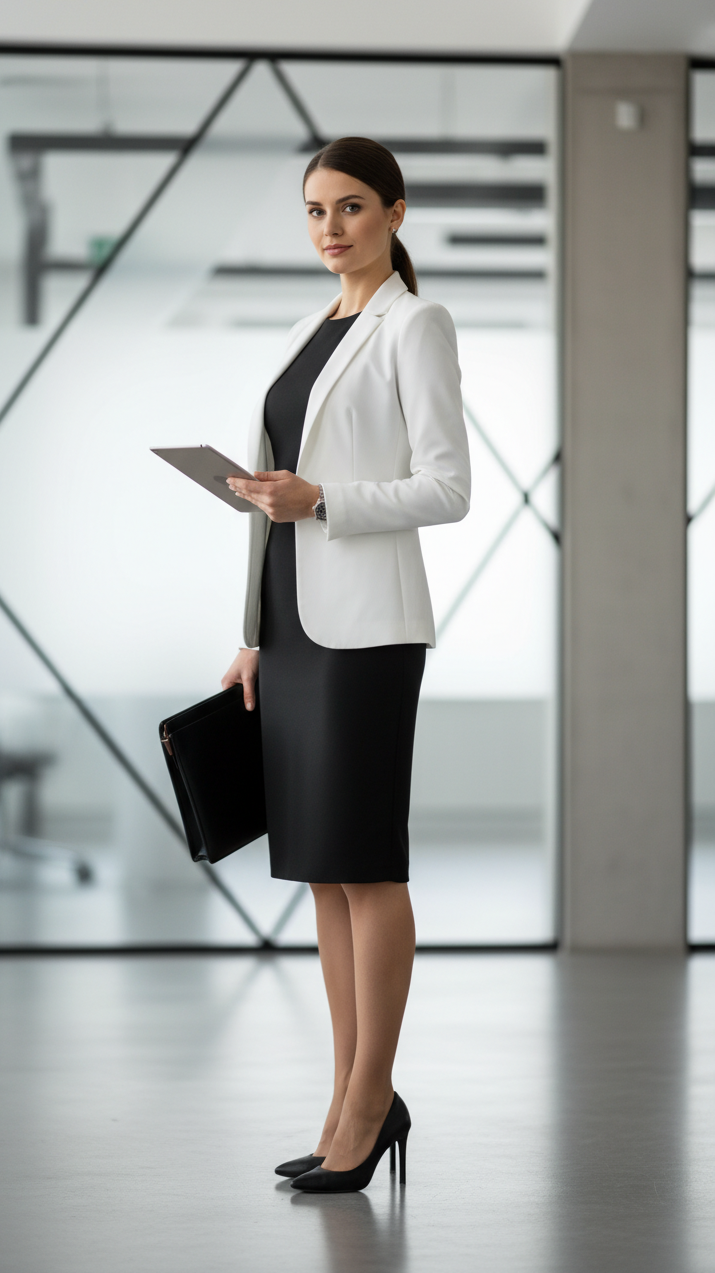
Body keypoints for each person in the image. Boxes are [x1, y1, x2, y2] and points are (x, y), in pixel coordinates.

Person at [222, 137, 471, 1194]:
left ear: (396, 214)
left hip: (368, 630)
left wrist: (321, 500)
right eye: (316, 210)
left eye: (353, 207)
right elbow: (277, 502)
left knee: (368, 864)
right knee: (323, 870)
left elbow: (446, 486)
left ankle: (370, 1104)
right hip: (291, 627)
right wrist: (249, 629)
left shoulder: (415, 324)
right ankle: (346, 1099)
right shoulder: (303, 333)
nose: (331, 228)